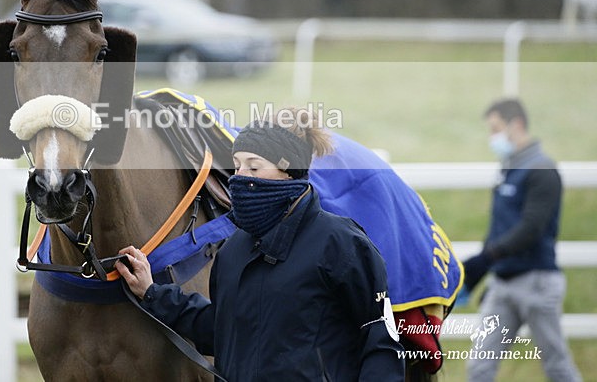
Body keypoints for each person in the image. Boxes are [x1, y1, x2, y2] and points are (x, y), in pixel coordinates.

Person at [117, 107, 405, 381]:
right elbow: (222, 331)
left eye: (253, 167)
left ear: (287, 171)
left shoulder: (342, 244)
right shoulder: (232, 250)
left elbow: (381, 341)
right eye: (238, 165)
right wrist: (152, 292)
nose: (240, 178)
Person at [464, 98, 582, 382]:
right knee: (479, 367)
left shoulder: (543, 170)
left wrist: (487, 258)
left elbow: (531, 228)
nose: (492, 137)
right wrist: (483, 272)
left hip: (537, 283)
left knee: (557, 366)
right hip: (503, 283)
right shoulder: (508, 168)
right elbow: (500, 228)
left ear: (516, 124)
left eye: (495, 128)